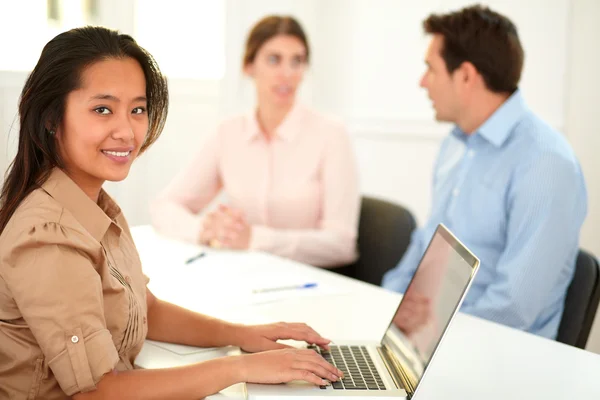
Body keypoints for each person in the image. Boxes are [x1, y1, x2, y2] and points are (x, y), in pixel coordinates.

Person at [0, 26, 344, 400]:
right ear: (51, 117)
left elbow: (147, 311)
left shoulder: (98, 208)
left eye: (137, 110)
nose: (127, 131)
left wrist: (242, 335)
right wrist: (239, 367)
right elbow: (96, 391)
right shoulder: (47, 235)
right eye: (103, 109)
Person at [383, 4, 587, 340]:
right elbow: (424, 248)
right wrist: (389, 306)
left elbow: (514, 308)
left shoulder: (545, 164)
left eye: (430, 69)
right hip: (426, 342)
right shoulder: (455, 146)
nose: (422, 82)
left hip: (497, 352)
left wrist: (426, 329)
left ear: (465, 76)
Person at [150, 15, 360, 268]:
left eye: (297, 61)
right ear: (249, 66)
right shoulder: (227, 133)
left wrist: (254, 239)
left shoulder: (331, 134)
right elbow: (164, 206)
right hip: (242, 278)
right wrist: (206, 230)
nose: (287, 73)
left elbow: (341, 244)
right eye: (274, 59)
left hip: (309, 284)